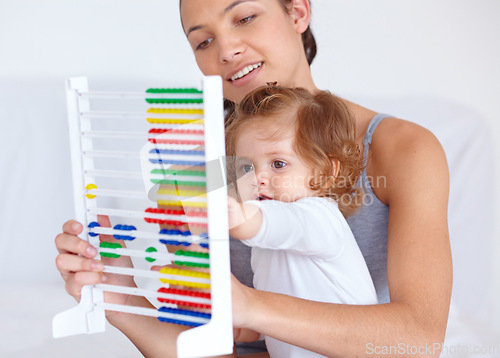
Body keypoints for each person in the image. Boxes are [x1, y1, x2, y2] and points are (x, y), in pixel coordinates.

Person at [55, 0, 452, 356]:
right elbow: (217, 346)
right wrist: (121, 299)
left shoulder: (401, 149)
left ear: (297, 11)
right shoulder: (193, 167)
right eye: (204, 42)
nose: (227, 50)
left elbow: (419, 342)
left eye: (244, 18)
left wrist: (249, 306)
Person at [225, 84, 378, 357]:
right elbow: (287, 304)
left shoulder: (318, 217)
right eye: (246, 167)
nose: (257, 178)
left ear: (324, 172)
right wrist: (252, 329)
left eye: (278, 164)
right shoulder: (265, 242)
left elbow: (277, 223)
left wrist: (231, 212)